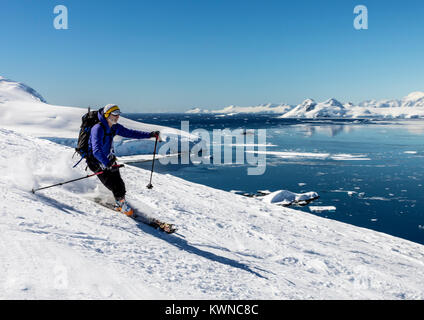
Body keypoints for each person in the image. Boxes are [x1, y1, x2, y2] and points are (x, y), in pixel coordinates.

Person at [87, 104, 159, 217]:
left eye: (118, 114)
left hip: (109, 160)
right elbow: (96, 151)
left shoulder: (114, 127)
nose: (117, 117)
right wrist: (107, 163)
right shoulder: (98, 128)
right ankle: (121, 204)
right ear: (107, 114)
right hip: (96, 161)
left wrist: (150, 135)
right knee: (114, 185)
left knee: (120, 184)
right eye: (114, 114)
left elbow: (131, 133)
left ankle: (121, 202)